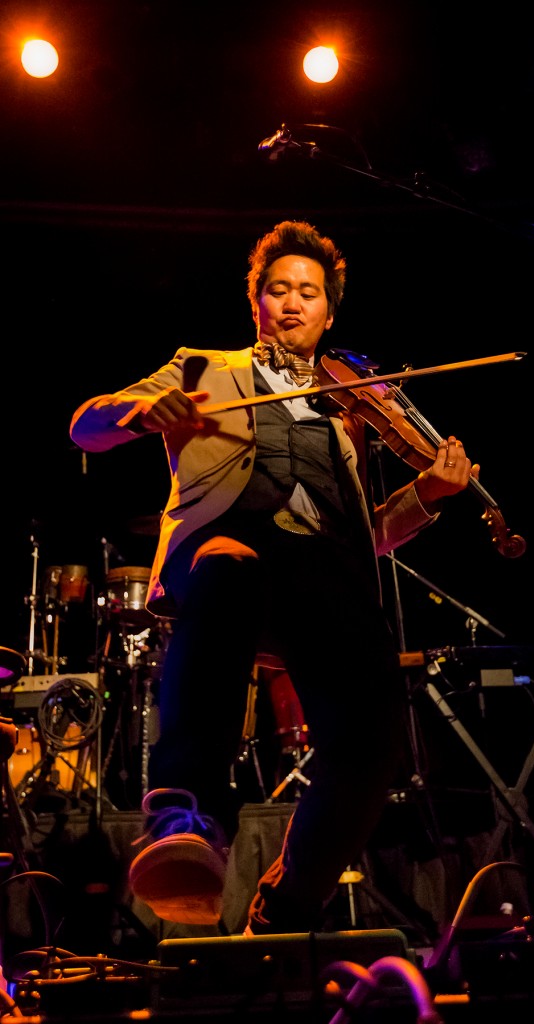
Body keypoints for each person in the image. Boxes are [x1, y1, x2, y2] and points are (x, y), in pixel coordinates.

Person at [69, 219, 477, 935]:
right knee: (232, 561)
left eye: (308, 293)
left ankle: (286, 907)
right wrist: (139, 411)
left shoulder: (350, 408)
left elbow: (365, 536)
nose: (292, 303)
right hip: (223, 555)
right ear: (256, 301)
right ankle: (182, 816)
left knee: (374, 734)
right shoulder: (202, 367)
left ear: (328, 311)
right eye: (278, 290)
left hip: (322, 578)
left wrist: (427, 497)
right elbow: (86, 425)